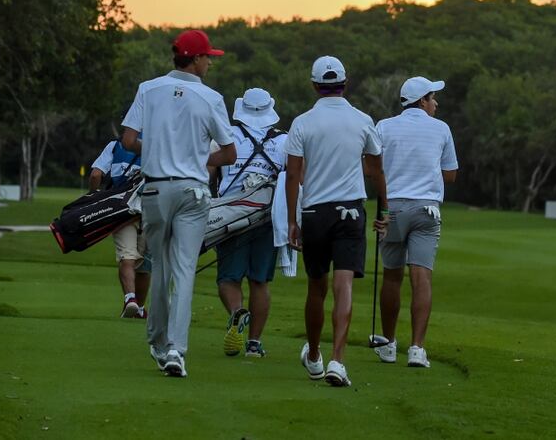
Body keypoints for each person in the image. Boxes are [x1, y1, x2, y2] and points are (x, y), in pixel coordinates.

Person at [121, 29, 236, 378]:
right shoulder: (211, 97)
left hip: (155, 190)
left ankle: (158, 342)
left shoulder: (148, 89)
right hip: (192, 192)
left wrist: (156, 150)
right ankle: (175, 349)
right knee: (184, 271)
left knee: (160, 268)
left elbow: (128, 139)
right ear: (196, 59)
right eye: (208, 58)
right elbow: (229, 153)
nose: (210, 64)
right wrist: (198, 157)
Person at [285, 55, 390, 387]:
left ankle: (315, 355)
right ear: (345, 83)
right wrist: (385, 211)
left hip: (315, 213)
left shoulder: (302, 122)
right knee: (343, 286)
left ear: (314, 85)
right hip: (351, 212)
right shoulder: (362, 120)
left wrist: (291, 221)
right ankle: (337, 361)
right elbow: (376, 171)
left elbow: (293, 175)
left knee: (316, 288)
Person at [373, 77, 458, 368]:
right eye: (432, 98)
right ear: (422, 101)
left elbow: (372, 169)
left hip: (392, 209)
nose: (436, 103)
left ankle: (388, 345)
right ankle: (417, 349)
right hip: (426, 210)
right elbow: (451, 175)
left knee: (392, 277)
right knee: (421, 278)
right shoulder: (441, 128)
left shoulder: (383, 126)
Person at [212, 87, 287, 358]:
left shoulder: (227, 136)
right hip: (266, 217)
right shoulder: (283, 140)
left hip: (231, 216)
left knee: (228, 278)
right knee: (260, 281)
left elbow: (208, 170)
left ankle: (237, 311)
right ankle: (254, 343)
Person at [88, 137, 149, 319]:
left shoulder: (115, 146)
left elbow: (95, 175)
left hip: (121, 210)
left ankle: (130, 299)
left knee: (126, 257)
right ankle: (140, 309)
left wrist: (94, 197)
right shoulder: (159, 142)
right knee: (145, 265)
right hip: (150, 210)